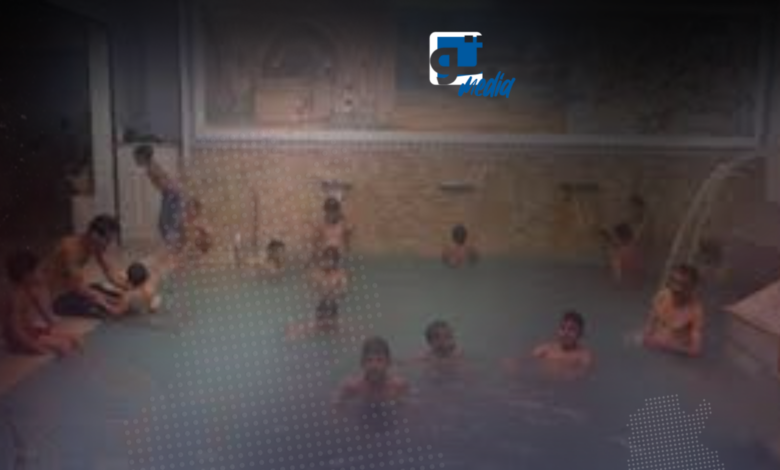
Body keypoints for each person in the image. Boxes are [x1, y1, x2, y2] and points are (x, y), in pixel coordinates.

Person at [133, 144, 213, 261]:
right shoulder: (152, 166)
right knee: (167, 224)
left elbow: (167, 182)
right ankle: (176, 248)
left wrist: (177, 194)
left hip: (172, 195)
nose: (135, 160)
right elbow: (167, 180)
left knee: (167, 224)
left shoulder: (152, 168)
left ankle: (175, 249)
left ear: (143, 156)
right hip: (171, 195)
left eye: (136, 157)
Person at [46, 215, 128, 318]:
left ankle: (105, 300)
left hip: (75, 288)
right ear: (94, 235)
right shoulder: (70, 249)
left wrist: (128, 287)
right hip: (59, 296)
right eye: (107, 240)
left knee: (114, 294)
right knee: (99, 306)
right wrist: (108, 304)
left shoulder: (95, 244)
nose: (108, 244)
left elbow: (108, 270)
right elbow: (78, 287)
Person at [3, 249, 82, 356]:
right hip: (18, 339)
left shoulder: (29, 288)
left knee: (75, 338)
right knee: (64, 346)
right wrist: (36, 347)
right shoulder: (16, 297)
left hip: (31, 330)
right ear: (27, 276)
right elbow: (15, 329)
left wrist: (52, 326)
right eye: (38, 271)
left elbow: (41, 309)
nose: (41, 273)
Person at [643, 264, 704, 357]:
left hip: (677, 354)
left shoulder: (695, 311)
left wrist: (670, 347)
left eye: (684, 285)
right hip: (657, 345)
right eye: (674, 282)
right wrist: (647, 338)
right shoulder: (662, 297)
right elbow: (649, 327)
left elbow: (695, 350)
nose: (677, 288)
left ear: (693, 288)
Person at [334, 336, 409, 406]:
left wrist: (399, 401)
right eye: (369, 360)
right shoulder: (352, 386)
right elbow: (336, 405)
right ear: (362, 363)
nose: (374, 366)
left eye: (379, 360)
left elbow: (411, 408)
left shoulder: (399, 386)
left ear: (388, 363)